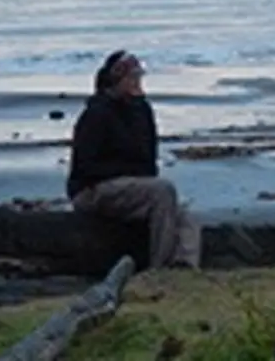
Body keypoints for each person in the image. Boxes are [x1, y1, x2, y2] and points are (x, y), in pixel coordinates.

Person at [66, 50, 201, 269]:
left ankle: (184, 266)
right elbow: (86, 167)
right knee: (163, 191)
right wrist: (130, 173)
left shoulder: (142, 110)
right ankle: (159, 267)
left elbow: (149, 158)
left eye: (139, 77)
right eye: (132, 77)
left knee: (186, 214)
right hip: (93, 189)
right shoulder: (97, 113)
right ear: (116, 80)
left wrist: (139, 178)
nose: (137, 82)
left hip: (132, 187)